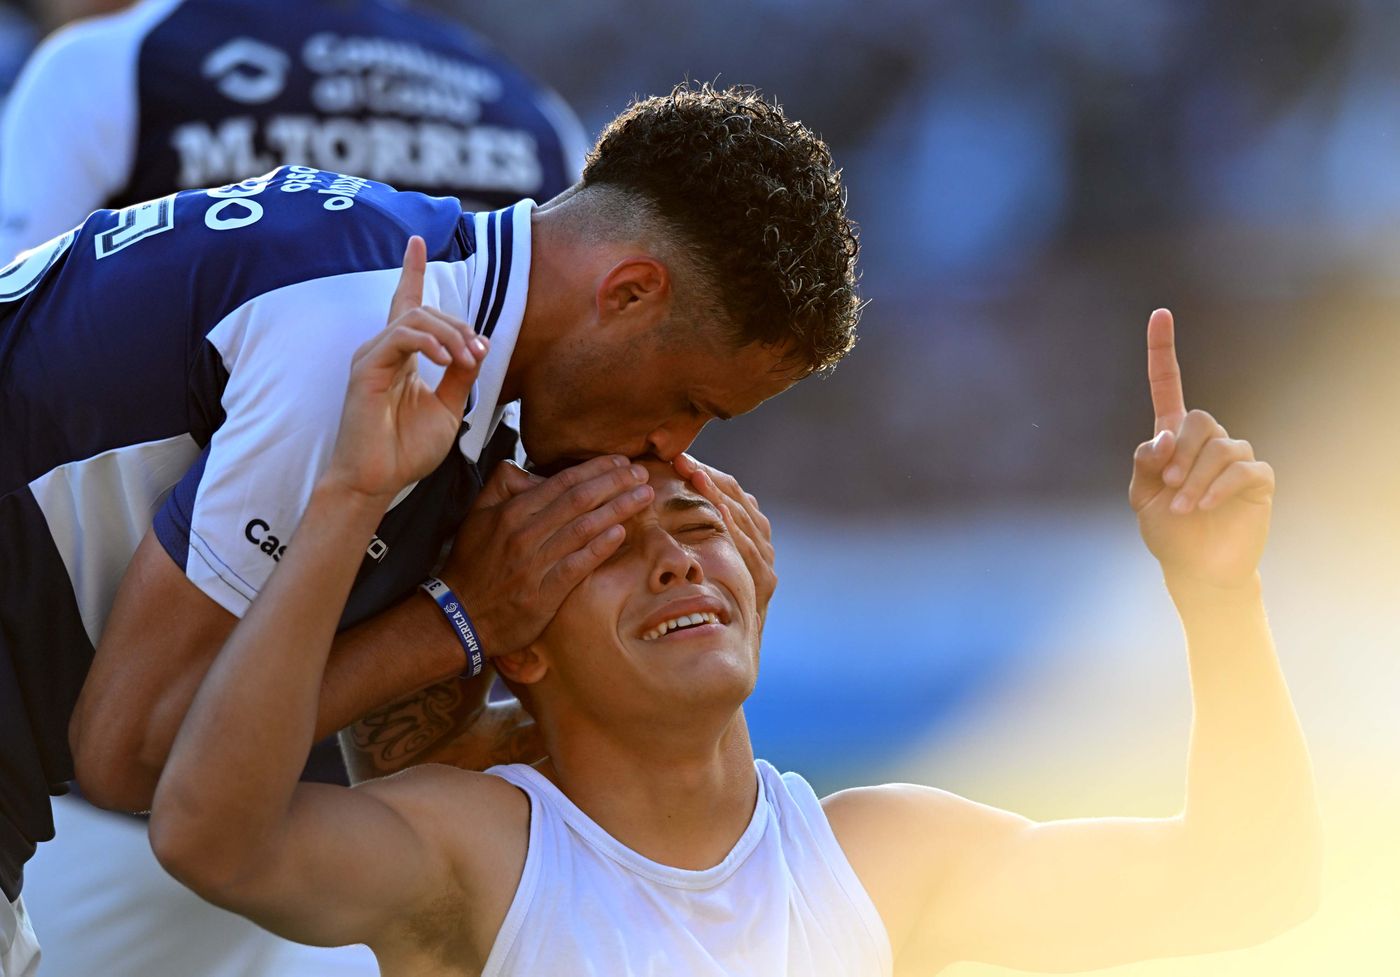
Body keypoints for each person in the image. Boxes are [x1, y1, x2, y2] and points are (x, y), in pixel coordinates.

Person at [145, 296, 1322, 975]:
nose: (670, 557)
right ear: (524, 639)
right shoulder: (485, 852)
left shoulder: (875, 856)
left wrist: (1216, 597)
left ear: (753, 578)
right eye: (600, 546)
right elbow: (207, 834)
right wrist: (355, 498)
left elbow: (1250, 880)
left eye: (695, 520)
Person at [0, 83, 859, 974]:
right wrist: (460, 619)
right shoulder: (364, 340)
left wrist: (642, 726)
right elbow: (131, 755)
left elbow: (411, 758)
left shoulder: (461, 353)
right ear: (631, 291)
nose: (670, 448)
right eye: (689, 403)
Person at [3, 3, 588, 972]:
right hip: (383, 793)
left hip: (125, 751)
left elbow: (34, 351)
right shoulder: (528, 112)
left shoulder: (115, 63)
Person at [0, 0, 587, 260]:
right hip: (467, 503)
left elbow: (12, 317)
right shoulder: (527, 102)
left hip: (178, 504)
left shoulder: (107, 63)